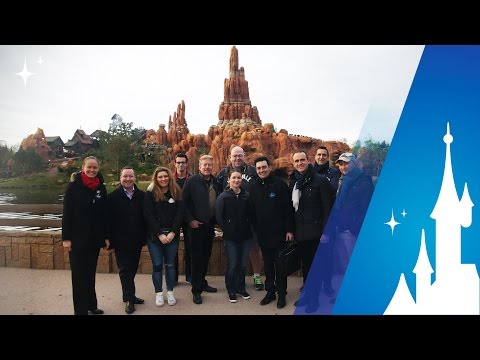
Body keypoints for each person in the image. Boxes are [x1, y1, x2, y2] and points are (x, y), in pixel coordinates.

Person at [62, 156, 110, 315]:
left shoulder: (101, 188)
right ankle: (80, 310)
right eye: (89, 167)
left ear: (98, 168)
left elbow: (103, 215)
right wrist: (66, 238)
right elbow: (67, 214)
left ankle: (91, 305)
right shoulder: (73, 187)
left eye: (94, 167)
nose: (92, 170)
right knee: (79, 276)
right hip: (77, 240)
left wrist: (105, 237)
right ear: (83, 167)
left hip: (94, 240)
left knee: (90, 274)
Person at [217, 146, 265, 291]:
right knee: (233, 252)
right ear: (230, 157)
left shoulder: (252, 171)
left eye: (240, 155)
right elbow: (219, 195)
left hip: (250, 218)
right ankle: (235, 281)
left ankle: (257, 276)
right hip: (232, 221)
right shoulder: (223, 173)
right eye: (234, 156)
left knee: (255, 248)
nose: (237, 158)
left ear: (244, 156)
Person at [249, 156, 295, 309]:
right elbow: (252, 212)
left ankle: (282, 294)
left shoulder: (280, 185)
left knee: (280, 266)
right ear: (256, 170)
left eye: (264, 167)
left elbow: (288, 209)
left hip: (280, 234)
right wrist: (256, 229)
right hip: (263, 235)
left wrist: (289, 229)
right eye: (258, 168)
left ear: (269, 167)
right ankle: (270, 292)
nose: (261, 170)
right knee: (268, 265)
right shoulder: (254, 187)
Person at [289, 151, 333, 307]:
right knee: (306, 267)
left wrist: (325, 231)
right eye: (296, 161)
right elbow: (292, 209)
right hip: (301, 233)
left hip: (316, 233)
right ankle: (308, 296)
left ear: (308, 161)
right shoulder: (295, 182)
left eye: (302, 160)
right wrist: (291, 230)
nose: (299, 163)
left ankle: (314, 299)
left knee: (315, 267)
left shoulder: (320, 181)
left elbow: (328, 207)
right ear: (293, 163)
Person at [107, 166, 146, 314]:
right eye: (125, 176)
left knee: (133, 267)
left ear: (134, 178)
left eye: (130, 176)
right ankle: (129, 298)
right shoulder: (112, 197)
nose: (128, 179)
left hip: (137, 239)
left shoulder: (142, 196)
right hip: (120, 240)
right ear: (120, 178)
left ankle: (129, 294)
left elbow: (146, 217)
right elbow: (108, 220)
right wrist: (108, 238)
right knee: (125, 270)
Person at [144, 167, 184, 307]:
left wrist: (173, 232)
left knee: (170, 264)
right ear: (156, 178)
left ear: (169, 177)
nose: (163, 179)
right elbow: (149, 215)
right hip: (155, 236)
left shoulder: (176, 192)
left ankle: (171, 292)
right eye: (160, 177)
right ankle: (159, 293)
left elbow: (180, 214)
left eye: (165, 176)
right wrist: (159, 234)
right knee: (157, 265)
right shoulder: (150, 194)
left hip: (172, 234)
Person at [183, 155, 219, 305]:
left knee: (206, 255)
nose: (207, 167)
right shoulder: (191, 181)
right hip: (196, 227)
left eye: (210, 165)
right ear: (199, 166)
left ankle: (202, 282)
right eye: (205, 165)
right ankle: (196, 290)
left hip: (209, 225)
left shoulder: (216, 182)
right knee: (197, 258)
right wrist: (190, 220)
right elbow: (182, 203)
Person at [332, 153, 374, 272]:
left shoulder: (364, 182)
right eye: (340, 164)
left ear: (354, 164)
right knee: (345, 266)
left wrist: (353, 229)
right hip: (340, 228)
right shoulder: (343, 181)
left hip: (351, 232)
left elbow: (366, 209)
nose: (343, 167)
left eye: (346, 163)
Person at [216, 170, 253, 303]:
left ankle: (241, 288)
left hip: (245, 236)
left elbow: (251, 214)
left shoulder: (246, 196)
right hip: (230, 237)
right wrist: (228, 229)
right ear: (228, 180)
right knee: (232, 264)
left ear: (241, 180)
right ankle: (231, 289)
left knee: (242, 265)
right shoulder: (223, 196)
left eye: (238, 178)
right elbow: (219, 217)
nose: (236, 180)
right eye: (234, 178)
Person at [312, 146, 340, 296]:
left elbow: (331, 191)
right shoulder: (310, 171)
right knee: (311, 256)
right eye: (319, 155)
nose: (321, 157)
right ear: (315, 157)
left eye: (324, 155)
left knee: (327, 256)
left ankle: (327, 285)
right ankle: (311, 286)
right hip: (311, 221)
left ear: (327, 157)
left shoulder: (333, 172)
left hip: (328, 218)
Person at [173, 153, 191, 284]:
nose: (181, 165)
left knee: (190, 248)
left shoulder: (192, 179)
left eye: (183, 162)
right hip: (173, 218)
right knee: (173, 249)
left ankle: (190, 276)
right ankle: (173, 277)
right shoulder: (169, 179)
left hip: (188, 218)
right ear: (175, 164)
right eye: (178, 162)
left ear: (186, 164)